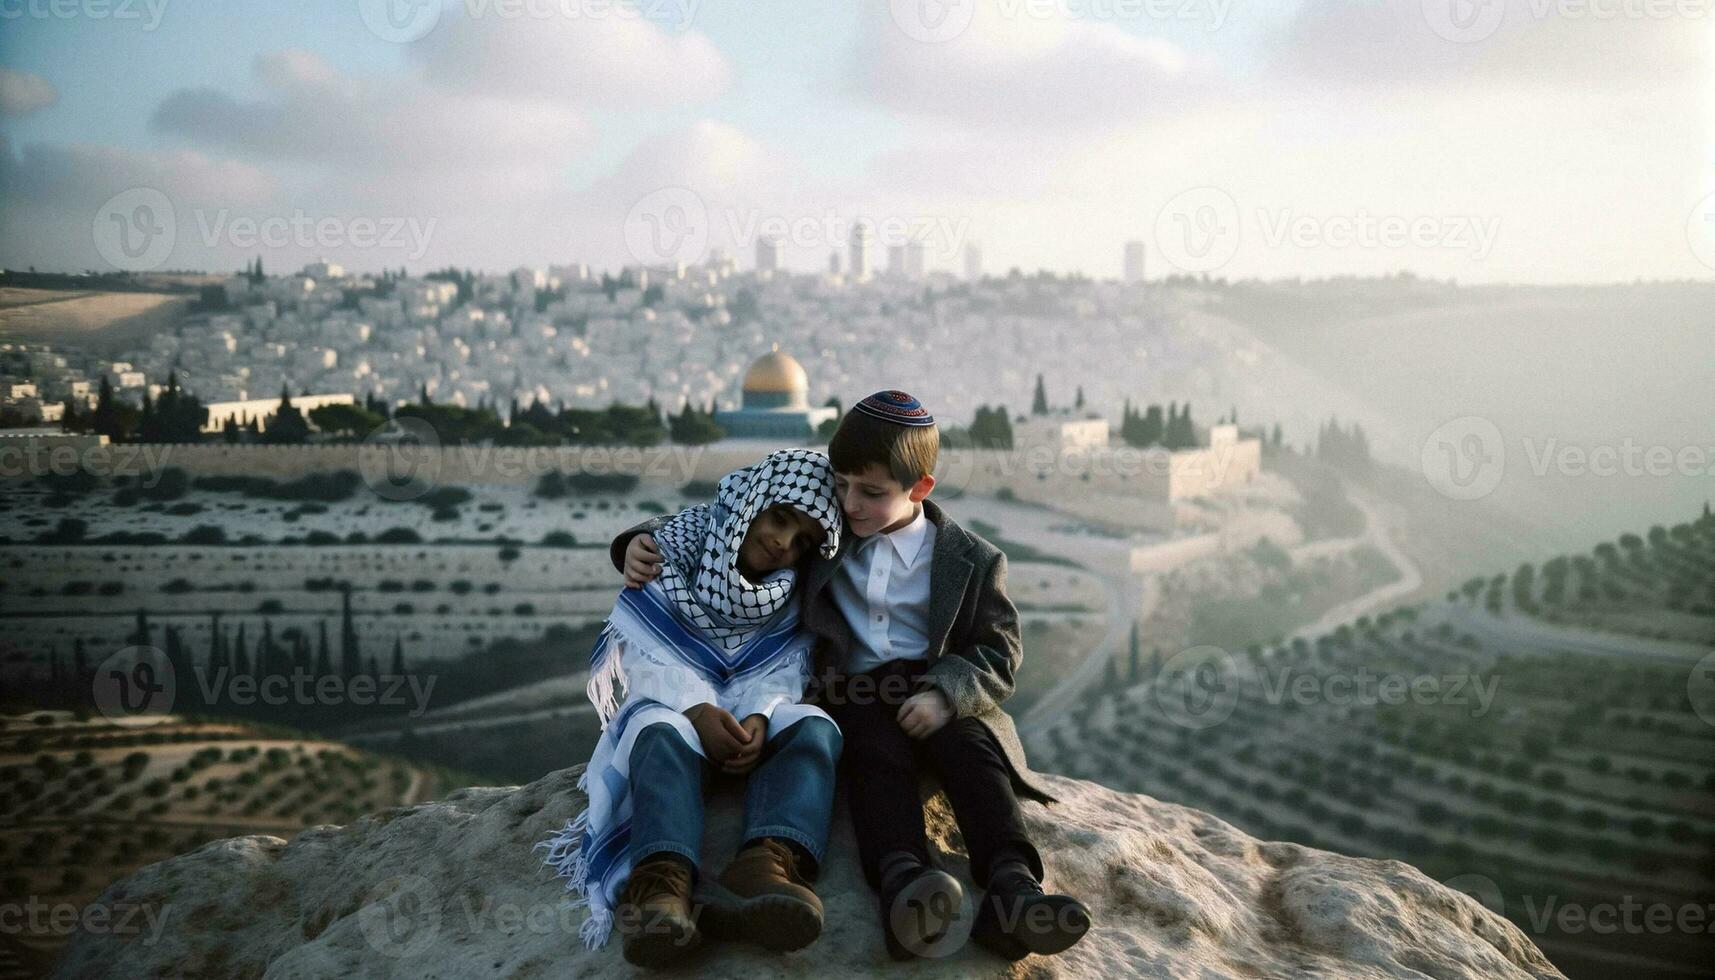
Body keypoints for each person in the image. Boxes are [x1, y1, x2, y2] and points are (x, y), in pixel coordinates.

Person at [612, 391, 1092, 962]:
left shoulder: (972, 557)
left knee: (975, 758)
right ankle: (904, 889)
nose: (851, 503)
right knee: (875, 764)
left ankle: (1015, 889)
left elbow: (1000, 648)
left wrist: (948, 694)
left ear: (920, 488)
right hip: (856, 693)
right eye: (842, 485)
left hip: (937, 691)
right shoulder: (827, 539)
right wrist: (635, 541)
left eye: (871, 492)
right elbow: (727, 513)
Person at [538, 448, 845, 968]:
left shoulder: (793, 590)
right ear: (753, 501)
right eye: (779, 518)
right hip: (674, 709)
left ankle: (768, 862)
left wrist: (758, 716)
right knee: (654, 728)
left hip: (750, 721)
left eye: (803, 542)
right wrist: (699, 711)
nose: (782, 542)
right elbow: (639, 654)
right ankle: (662, 886)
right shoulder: (669, 552)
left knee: (815, 725)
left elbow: (784, 671)